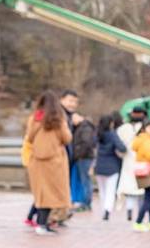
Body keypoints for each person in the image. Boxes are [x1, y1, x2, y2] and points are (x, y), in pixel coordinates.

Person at [25, 91, 73, 236]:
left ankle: (40, 223)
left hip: (37, 161)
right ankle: (43, 224)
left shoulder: (34, 118)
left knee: (41, 193)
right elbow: (67, 138)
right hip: (55, 162)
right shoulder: (58, 120)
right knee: (54, 193)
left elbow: (30, 137)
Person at [94, 113, 127, 221]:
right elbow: (122, 148)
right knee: (110, 190)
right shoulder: (112, 134)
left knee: (102, 190)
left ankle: (104, 209)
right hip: (112, 165)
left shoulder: (97, 134)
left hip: (99, 165)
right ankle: (107, 210)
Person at [116, 106, 147, 220]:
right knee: (139, 187)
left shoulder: (124, 128)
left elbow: (118, 144)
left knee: (128, 187)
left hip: (128, 159)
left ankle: (130, 209)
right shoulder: (145, 128)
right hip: (140, 160)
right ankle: (140, 212)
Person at [71, 112, 97, 212]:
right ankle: (84, 203)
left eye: (74, 117)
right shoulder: (80, 127)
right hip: (82, 157)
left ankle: (86, 203)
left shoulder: (85, 127)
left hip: (84, 158)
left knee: (85, 181)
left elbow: (86, 143)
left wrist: (78, 154)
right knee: (83, 181)